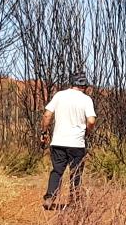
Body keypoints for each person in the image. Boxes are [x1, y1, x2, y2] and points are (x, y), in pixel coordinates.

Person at [41, 75, 96, 208]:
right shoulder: (86, 99)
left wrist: (44, 132)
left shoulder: (59, 95)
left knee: (57, 170)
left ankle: (50, 197)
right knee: (75, 172)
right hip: (77, 143)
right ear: (84, 86)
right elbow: (91, 121)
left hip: (58, 141)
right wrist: (87, 132)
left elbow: (47, 115)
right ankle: (74, 200)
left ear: (72, 84)